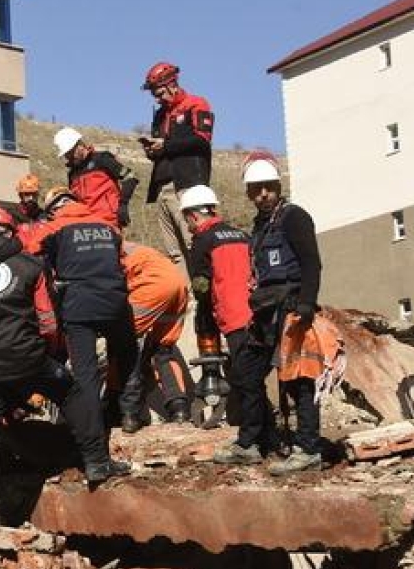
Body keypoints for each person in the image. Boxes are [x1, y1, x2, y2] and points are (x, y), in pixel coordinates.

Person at [0, 205, 129, 524]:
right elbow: (47, 319)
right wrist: (49, 352)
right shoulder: (28, 265)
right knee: (71, 394)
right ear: (11, 231)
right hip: (27, 360)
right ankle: (96, 462)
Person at [216, 154, 329, 476]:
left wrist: (307, 304)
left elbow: (311, 263)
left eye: (267, 188)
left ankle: (308, 449)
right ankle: (249, 444)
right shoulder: (260, 226)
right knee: (247, 373)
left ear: (277, 187)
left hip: (292, 307)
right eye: (255, 189)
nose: (262, 194)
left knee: (299, 381)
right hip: (265, 311)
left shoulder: (295, 217)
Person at [23, 188, 137, 433]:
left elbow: (30, 256)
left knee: (86, 373)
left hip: (78, 305)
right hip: (115, 301)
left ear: (53, 209)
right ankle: (130, 414)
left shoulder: (51, 228)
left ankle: (93, 432)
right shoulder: (108, 226)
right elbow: (122, 261)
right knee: (127, 353)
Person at [180, 185, 254, 435]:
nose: (188, 225)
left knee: (244, 377)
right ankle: (247, 420)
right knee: (251, 372)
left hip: (230, 313)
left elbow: (201, 286)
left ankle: (252, 431)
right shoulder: (242, 235)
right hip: (255, 312)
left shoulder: (202, 240)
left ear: (193, 215)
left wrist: (203, 313)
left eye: (186, 219)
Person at [140, 62, 215, 263]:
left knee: (195, 243)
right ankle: (186, 295)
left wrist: (165, 146)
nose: (157, 99)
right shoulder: (159, 115)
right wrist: (152, 151)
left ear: (172, 84)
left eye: (159, 93)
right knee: (175, 253)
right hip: (162, 187)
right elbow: (164, 149)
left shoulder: (196, 103)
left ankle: (204, 292)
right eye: (154, 95)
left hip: (188, 184)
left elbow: (201, 140)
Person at [120, 241, 192, 431]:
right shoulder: (133, 247)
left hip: (154, 286)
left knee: (125, 342)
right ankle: (179, 408)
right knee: (163, 350)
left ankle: (129, 413)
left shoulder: (102, 248)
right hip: (178, 286)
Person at [53, 127, 138, 227]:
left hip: (109, 222)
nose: (68, 157)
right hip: (84, 226)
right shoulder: (72, 174)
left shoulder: (102, 159)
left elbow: (130, 177)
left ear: (80, 145)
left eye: (70, 153)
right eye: (66, 155)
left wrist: (123, 205)